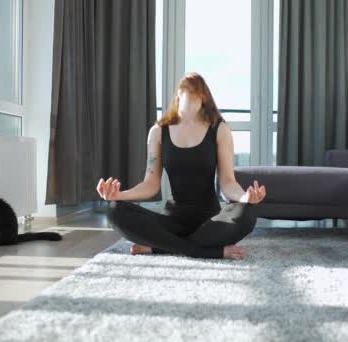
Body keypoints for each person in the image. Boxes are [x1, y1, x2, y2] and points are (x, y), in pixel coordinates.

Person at [97, 72, 267, 260]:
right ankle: (207, 251)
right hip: (171, 222)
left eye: (194, 92)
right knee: (114, 210)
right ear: (178, 95)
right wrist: (119, 195)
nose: (189, 97)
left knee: (249, 212)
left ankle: (161, 247)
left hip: (210, 223)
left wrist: (245, 197)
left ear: (203, 96)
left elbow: (227, 182)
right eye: (185, 91)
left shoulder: (219, 129)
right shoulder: (158, 131)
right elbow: (150, 184)